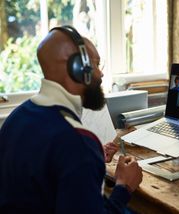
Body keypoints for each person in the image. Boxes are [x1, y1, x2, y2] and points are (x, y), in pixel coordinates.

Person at [0, 26, 142, 214]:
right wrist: (124, 187)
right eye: (96, 65)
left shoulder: (16, 118)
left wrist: (91, 160)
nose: (100, 74)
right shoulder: (78, 141)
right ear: (77, 68)